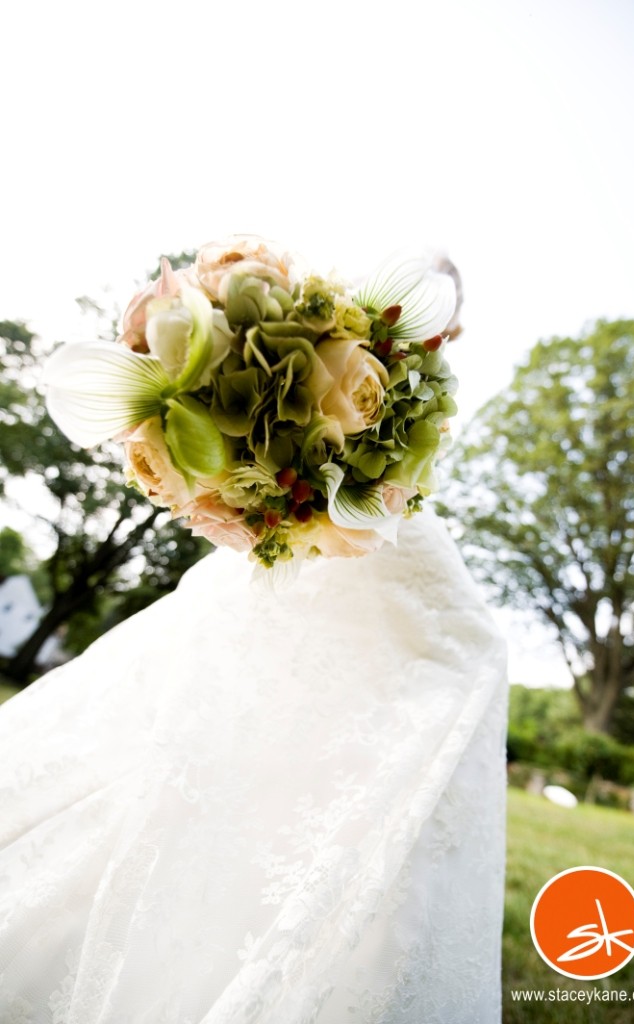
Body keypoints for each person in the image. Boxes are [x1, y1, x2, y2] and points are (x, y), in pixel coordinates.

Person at [0, 239, 508, 1022]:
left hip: (373, 525)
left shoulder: (418, 386)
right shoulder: (339, 322)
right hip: (320, 531)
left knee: (448, 661)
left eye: (442, 308)